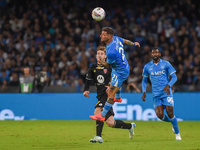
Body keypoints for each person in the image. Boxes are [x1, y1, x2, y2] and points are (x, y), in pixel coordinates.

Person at [84, 46, 136, 143]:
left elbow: (118, 78)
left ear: (105, 56)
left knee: (97, 111)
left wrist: (111, 87)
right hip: (100, 95)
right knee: (110, 123)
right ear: (96, 56)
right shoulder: (93, 67)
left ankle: (98, 137)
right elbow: (88, 79)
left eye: (102, 54)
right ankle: (130, 126)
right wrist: (86, 90)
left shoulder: (110, 67)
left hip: (108, 95)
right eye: (98, 53)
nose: (99, 55)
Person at [89, 27, 140, 122]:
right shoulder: (116, 38)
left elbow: (107, 65)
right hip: (119, 68)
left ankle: (102, 115)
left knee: (111, 92)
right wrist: (133, 43)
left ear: (109, 36)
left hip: (121, 72)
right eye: (101, 34)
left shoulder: (111, 52)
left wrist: (101, 61)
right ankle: (118, 98)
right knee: (112, 86)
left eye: (103, 34)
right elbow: (125, 41)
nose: (101, 36)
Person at [142, 47, 182, 141]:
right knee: (159, 115)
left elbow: (174, 77)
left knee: (170, 111)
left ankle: (177, 134)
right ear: (151, 55)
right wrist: (144, 91)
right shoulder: (147, 66)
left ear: (160, 54)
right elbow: (144, 81)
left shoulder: (166, 64)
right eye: (153, 53)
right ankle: (172, 123)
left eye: (157, 53)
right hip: (156, 94)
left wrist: (168, 85)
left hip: (166, 92)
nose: (155, 54)